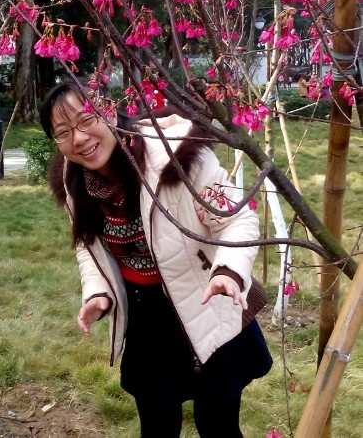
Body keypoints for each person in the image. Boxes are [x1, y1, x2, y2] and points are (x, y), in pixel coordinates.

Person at [41, 82, 272, 438]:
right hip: (146, 318)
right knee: (157, 425)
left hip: (207, 300)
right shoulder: (75, 183)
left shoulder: (176, 156)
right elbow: (87, 246)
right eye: (63, 132)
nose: (80, 138)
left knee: (217, 423)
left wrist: (228, 271)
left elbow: (236, 219)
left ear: (110, 110)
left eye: (86, 120)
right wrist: (98, 293)